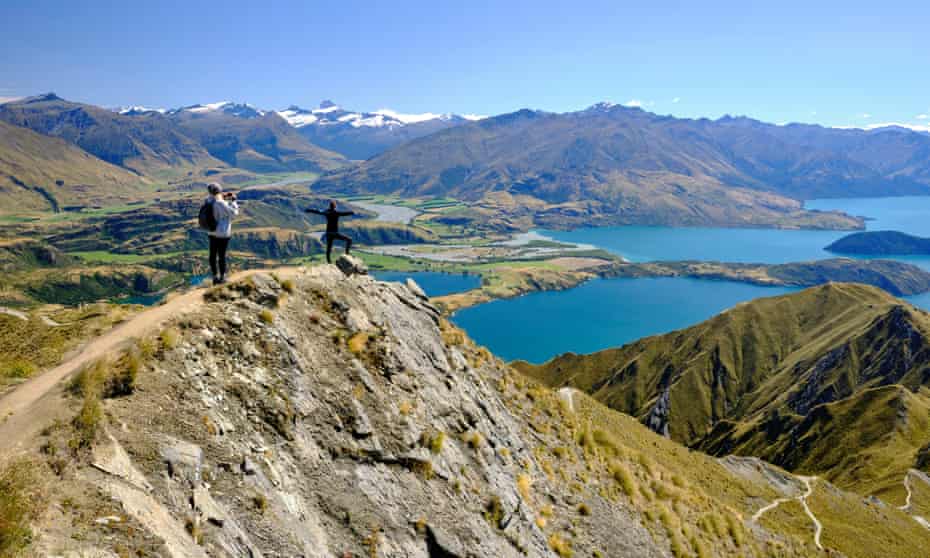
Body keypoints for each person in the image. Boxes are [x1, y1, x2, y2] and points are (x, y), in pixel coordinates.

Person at [206, 183, 239, 285]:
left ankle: (215, 277)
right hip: (223, 233)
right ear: (219, 190)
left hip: (211, 232)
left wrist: (223, 196)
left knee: (212, 255)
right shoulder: (221, 203)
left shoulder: (208, 201)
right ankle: (222, 277)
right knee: (221, 256)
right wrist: (233, 201)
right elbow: (234, 214)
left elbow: (215, 200)